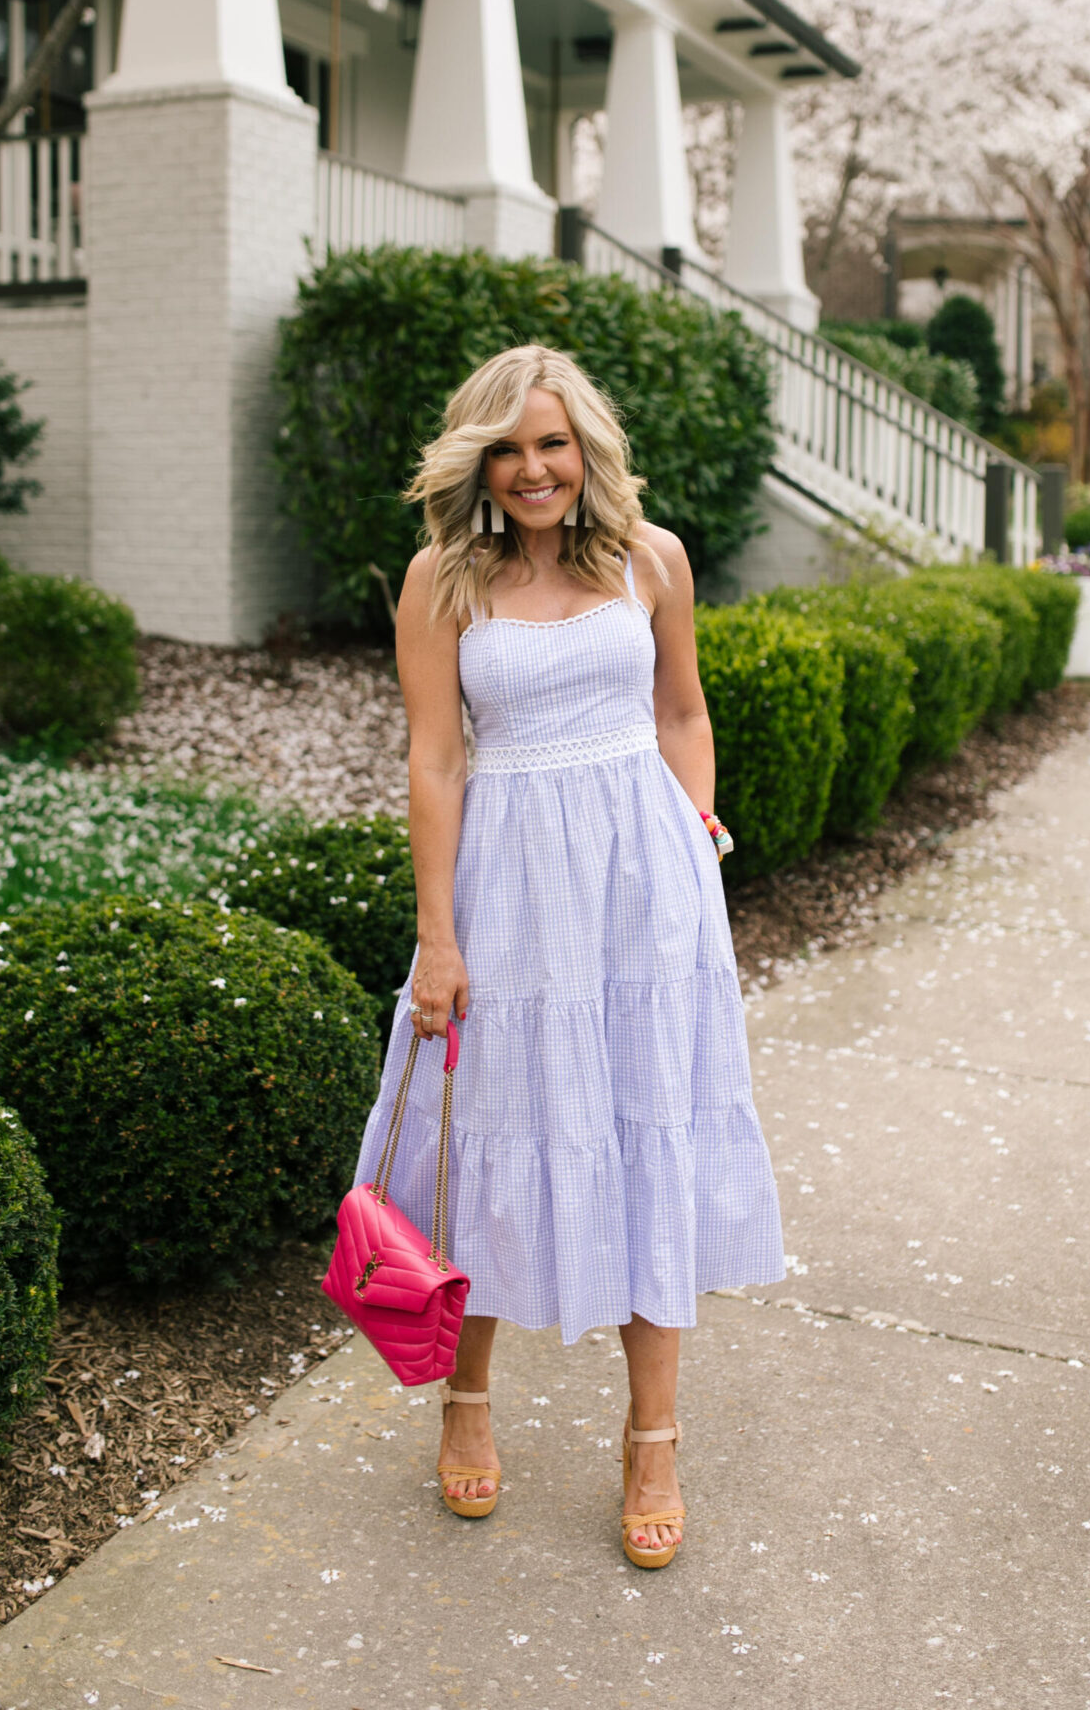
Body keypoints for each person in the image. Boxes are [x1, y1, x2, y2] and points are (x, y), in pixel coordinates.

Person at [351, 344, 784, 1566]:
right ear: (477, 460)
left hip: (647, 898)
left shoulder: (654, 561)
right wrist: (438, 938)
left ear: (586, 447)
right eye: (507, 446)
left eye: (552, 443)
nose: (533, 468)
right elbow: (436, 762)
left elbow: (682, 711)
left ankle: (654, 1439)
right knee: (485, 1140)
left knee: (652, 1131)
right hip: (509, 887)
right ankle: (467, 1402)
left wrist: (695, 841)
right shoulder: (440, 579)